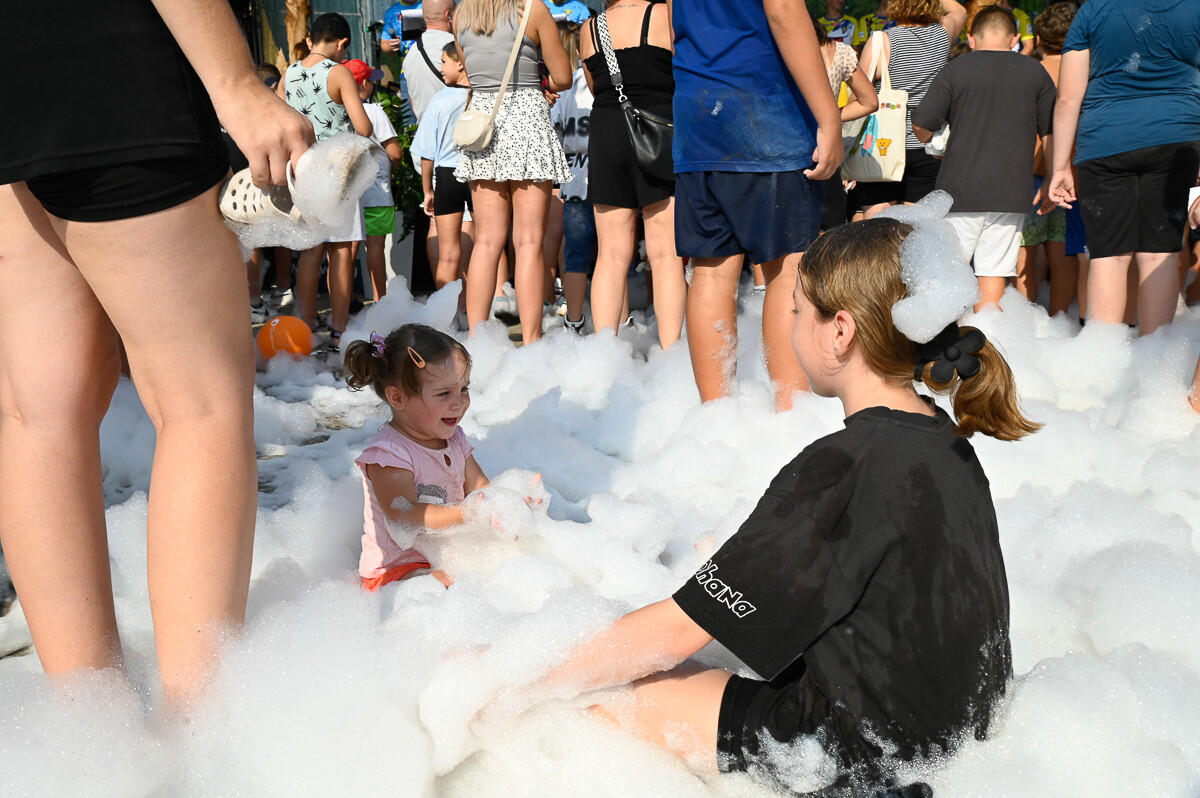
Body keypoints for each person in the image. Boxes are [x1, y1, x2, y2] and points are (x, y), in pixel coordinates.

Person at [527, 215, 1035, 794]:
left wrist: (518, 684)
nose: (791, 329)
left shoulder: (843, 463)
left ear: (840, 331)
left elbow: (674, 633)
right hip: (957, 745)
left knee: (610, 698)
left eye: (797, 312)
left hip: (859, 757)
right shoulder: (946, 439)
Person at [0, 0, 313, 705]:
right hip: (117, 75)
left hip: (14, 70)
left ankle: (92, 732)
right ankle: (197, 737)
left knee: (37, 412)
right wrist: (237, 86)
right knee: (199, 405)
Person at [669, 0, 843, 412]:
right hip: (764, 109)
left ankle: (717, 418)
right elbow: (783, 9)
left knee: (710, 272)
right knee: (788, 268)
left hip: (698, 112)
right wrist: (829, 119)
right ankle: (789, 418)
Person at [1048, 0, 1200, 336]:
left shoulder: (1092, 10)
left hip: (1103, 141)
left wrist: (1060, 166)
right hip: (1176, 136)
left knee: (1108, 255)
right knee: (1158, 253)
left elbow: (1069, 98)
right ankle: (1154, 360)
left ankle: (1103, 366)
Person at [911, 6, 1055, 310]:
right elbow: (1051, 132)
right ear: (1015, 38)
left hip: (960, 192)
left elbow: (922, 124)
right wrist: (1053, 177)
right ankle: (987, 346)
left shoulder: (956, 68)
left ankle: (945, 349)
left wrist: (933, 141)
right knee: (994, 275)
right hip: (1011, 193)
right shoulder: (1034, 72)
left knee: (948, 276)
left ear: (971, 38)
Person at [454, 0, 573, 344]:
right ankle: (531, 340)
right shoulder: (532, 8)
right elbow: (563, 77)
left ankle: (477, 339)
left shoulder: (462, 14)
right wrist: (539, 82)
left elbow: (472, 74)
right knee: (529, 241)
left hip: (482, 123)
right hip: (527, 118)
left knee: (487, 240)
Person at [342, 324, 487, 590]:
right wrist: (468, 514)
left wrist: (506, 504)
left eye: (464, 389)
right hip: (394, 571)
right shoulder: (389, 454)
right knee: (456, 584)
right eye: (444, 393)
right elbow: (404, 517)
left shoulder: (454, 439)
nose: (459, 403)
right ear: (397, 397)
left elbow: (480, 487)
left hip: (442, 558)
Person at [580, 0, 687, 348]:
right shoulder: (665, 14)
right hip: (659, 130)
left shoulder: (589, 28)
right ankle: (671, 354)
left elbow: (596, 86)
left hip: (608, 131)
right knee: (665, 253)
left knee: (610, 253)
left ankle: (604, 353)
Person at [279, 12, 374, 350]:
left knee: (310, 251)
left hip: (302, 170)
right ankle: (338, 333)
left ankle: (304, 327)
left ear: (310, 39)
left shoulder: (288, 74)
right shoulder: (339, 72)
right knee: (341, 253)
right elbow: (364, 128)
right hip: (337, 173)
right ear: (341, 42)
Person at [854, 0, 966, 221]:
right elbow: (960, 10)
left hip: (882, 147)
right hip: (927, 144)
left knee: (878, 229)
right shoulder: (943, 35)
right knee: (919, 230)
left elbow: (860, 97)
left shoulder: (881, 41)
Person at [1014, 1, 1079, 317]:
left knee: (1025, 253)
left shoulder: (1028, 73)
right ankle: (1061, 320)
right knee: (1066, 253)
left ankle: (1025, 322)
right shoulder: (1086, 73)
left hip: (1030, 175)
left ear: (1038, 39)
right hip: (1073, 176)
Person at [413, 43, 475, 298]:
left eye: (444, 62)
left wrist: (428, 190)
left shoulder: (440, 99)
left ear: (460, 63)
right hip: (479, 177)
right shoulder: (485, 96)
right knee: (487, 247)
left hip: (448, 176)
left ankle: (445, 318)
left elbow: (426, 151)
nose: (440, 69)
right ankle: (479, 315)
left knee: (448, 254)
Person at [813, 10, 879, 232]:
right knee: (829, 233)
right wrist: (830, 115)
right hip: (826, 147)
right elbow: (869, 101)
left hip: (781, 150)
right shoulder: (839, 52)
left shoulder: (775, 50)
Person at [551, 20, 597, 333]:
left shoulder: (565, 91)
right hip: (608, 179)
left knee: (576, 255)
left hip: (573, 180)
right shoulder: (604, 85)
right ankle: (618, 321)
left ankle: (574, 319)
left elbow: (553, 132)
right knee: (614, 253)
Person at [347, 60, 402, 303]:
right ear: (365, 84)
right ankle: (380, 300)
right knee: (376, 248)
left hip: (347, 195)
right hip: (376, 193)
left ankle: (343, 301)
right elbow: (395, 152)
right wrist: (391, 171)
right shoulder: (374, 112)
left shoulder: (338, 112)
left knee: (345, 251)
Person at [402, 0, 456, 120]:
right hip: (456, 131)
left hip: (426, 131)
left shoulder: (411, 53)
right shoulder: (455, 46)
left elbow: (413, 101)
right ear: (448, 16)